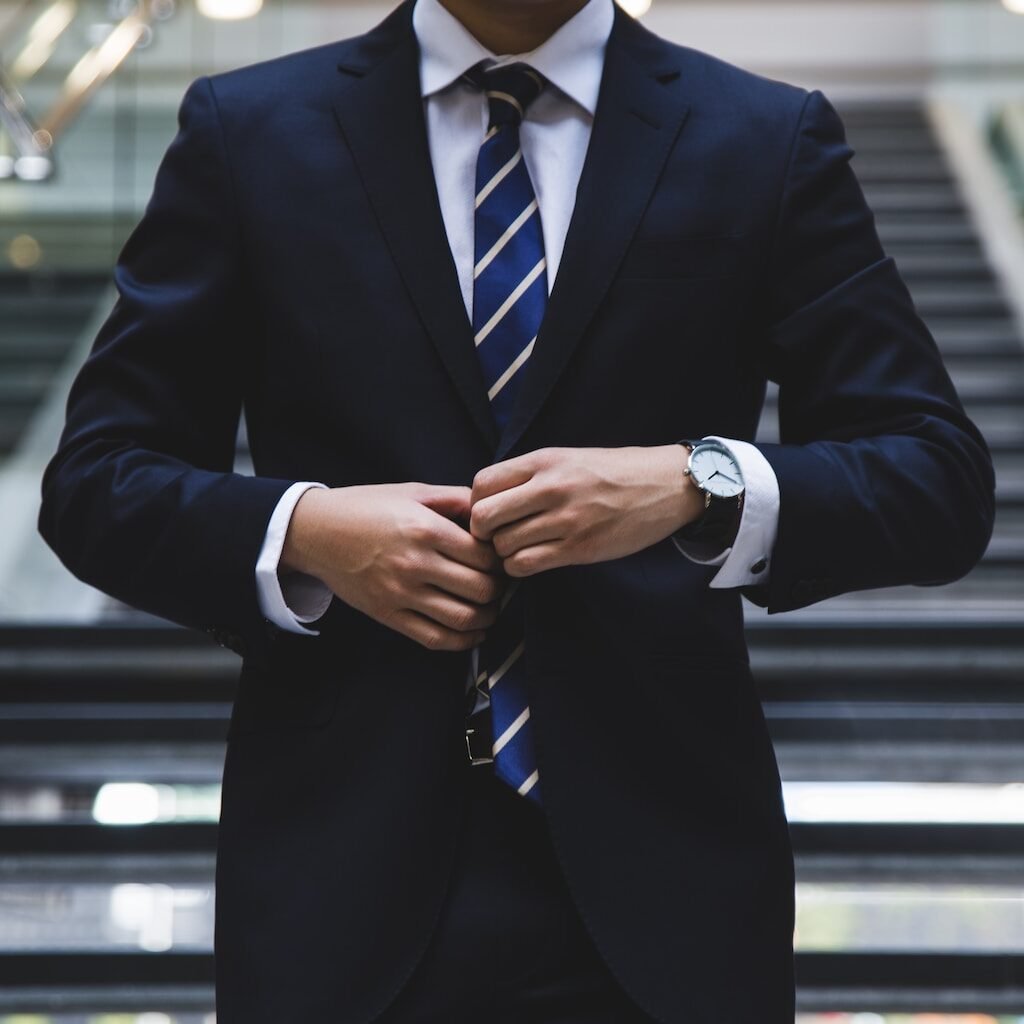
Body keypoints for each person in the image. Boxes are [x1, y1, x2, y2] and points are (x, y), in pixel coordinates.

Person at [37, 0, 995, 1020]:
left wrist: (694, 482)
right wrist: (308, 532)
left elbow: (934, 477)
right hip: (337, 878)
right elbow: (97, 479)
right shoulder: (249, 130)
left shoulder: (763, 136)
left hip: (669, 889)